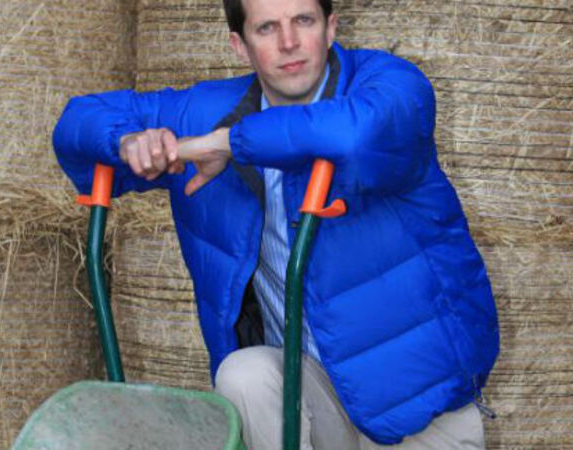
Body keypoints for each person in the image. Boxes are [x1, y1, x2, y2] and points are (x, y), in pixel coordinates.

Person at [52, 0, 500, 448]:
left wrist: (229, 143)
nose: (289, 42)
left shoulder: (389, 86)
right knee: (243, 375)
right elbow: (79, 119)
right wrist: (130, 140)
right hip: (312, 398)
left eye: (303, 20)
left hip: (420, 409)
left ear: (330, 28)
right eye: (266, 28)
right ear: (239, 45)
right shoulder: (210, 112)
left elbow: (354, 138)